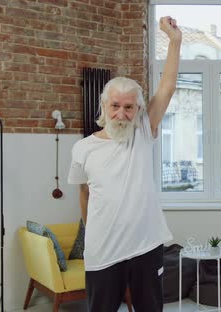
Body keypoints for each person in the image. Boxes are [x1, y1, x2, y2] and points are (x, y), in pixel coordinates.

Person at [67, 16, 181, 312]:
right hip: (102, 251)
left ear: (138, 109)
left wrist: (174, 41)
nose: (121, 113)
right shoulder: (83, 148)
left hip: (146, 247)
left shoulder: (143, 131)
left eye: (129, 107)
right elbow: (84, 195)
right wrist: (95, 232)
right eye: (115, 106)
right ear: (104, 106)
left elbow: (167, 88)